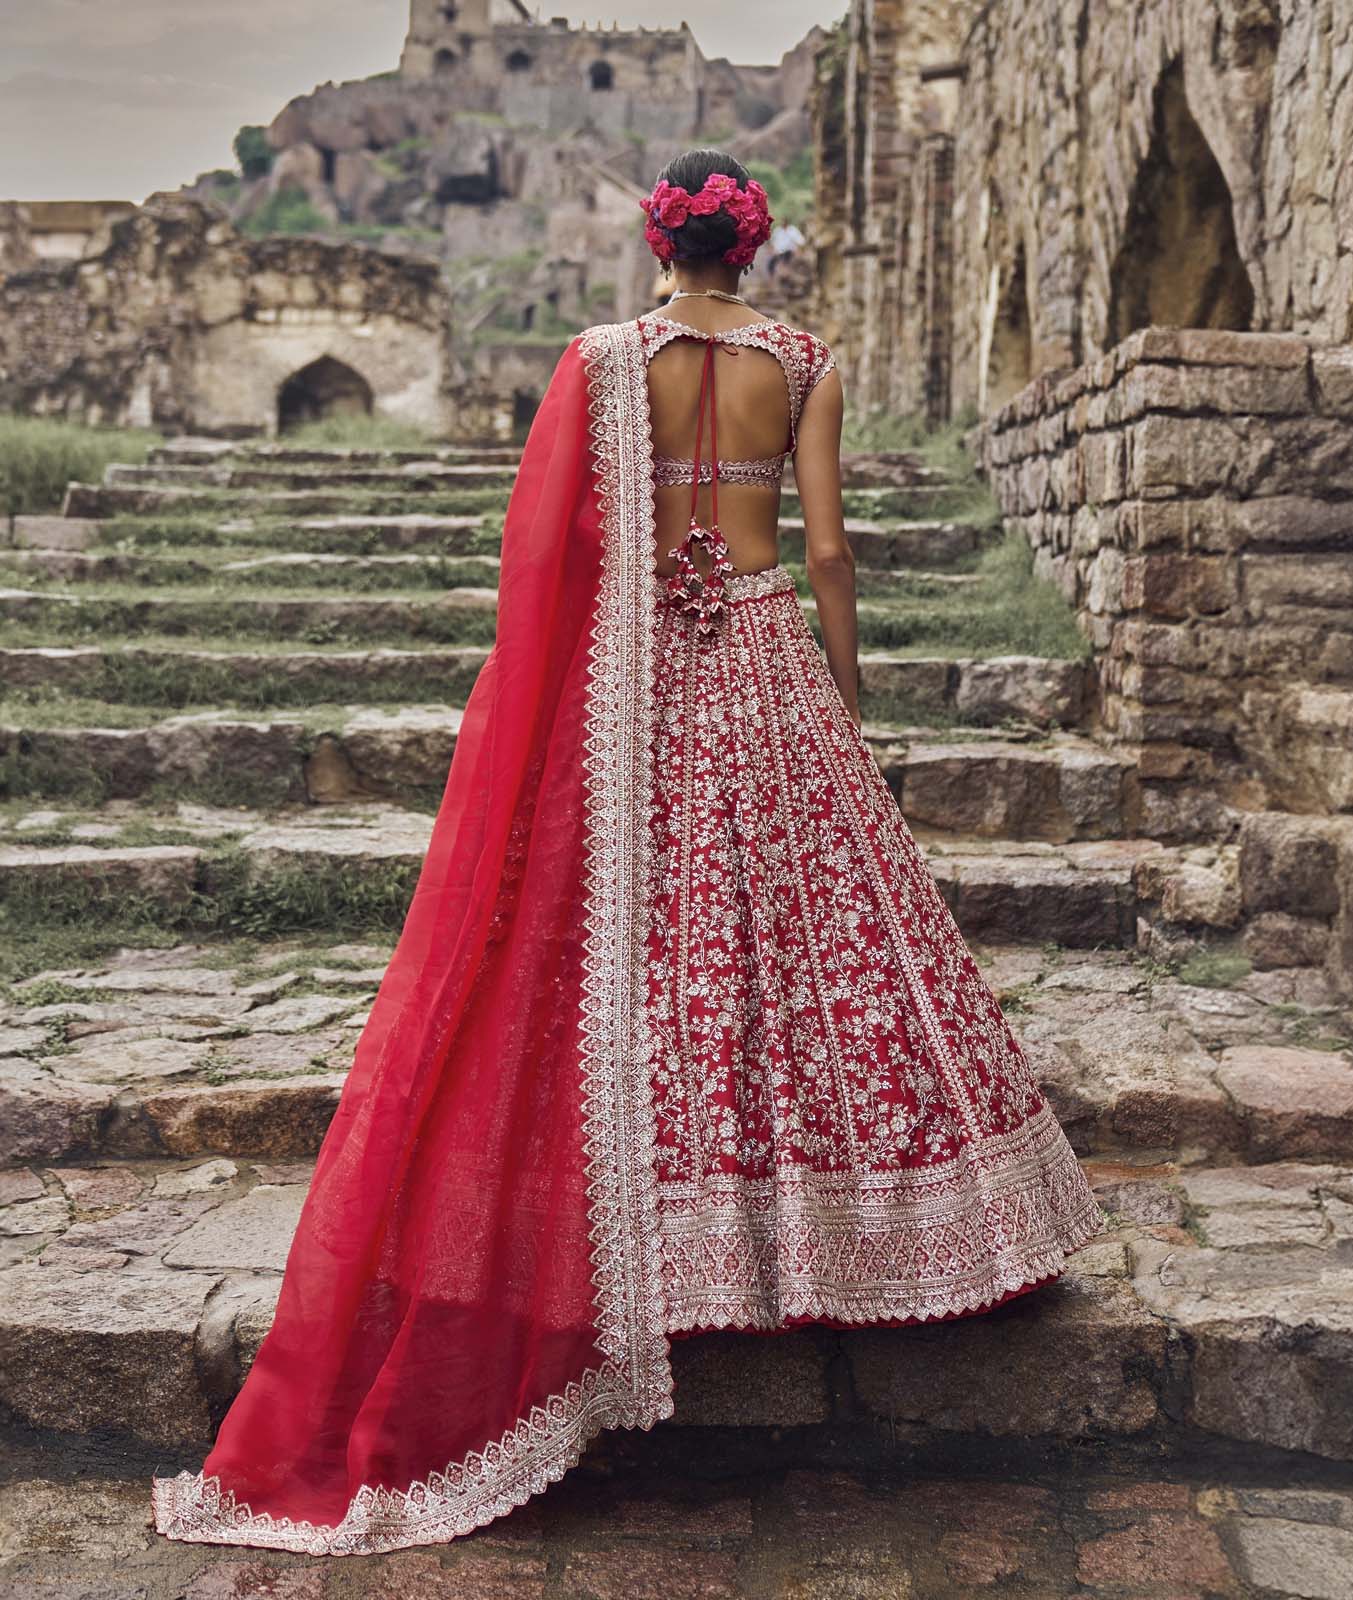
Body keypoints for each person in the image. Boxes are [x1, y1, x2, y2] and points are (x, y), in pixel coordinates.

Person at [151, 148, 1101, 1557]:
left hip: (639, 687)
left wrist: (556, 695)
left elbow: (540, 554)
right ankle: (841, 1239)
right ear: (755, 249)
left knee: (644, 943)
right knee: (819, 938)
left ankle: (671, 1239)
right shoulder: (808, 360)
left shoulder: (599, 362)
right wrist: (846, 697)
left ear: (660, 242)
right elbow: (828, 553)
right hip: (771, 654)